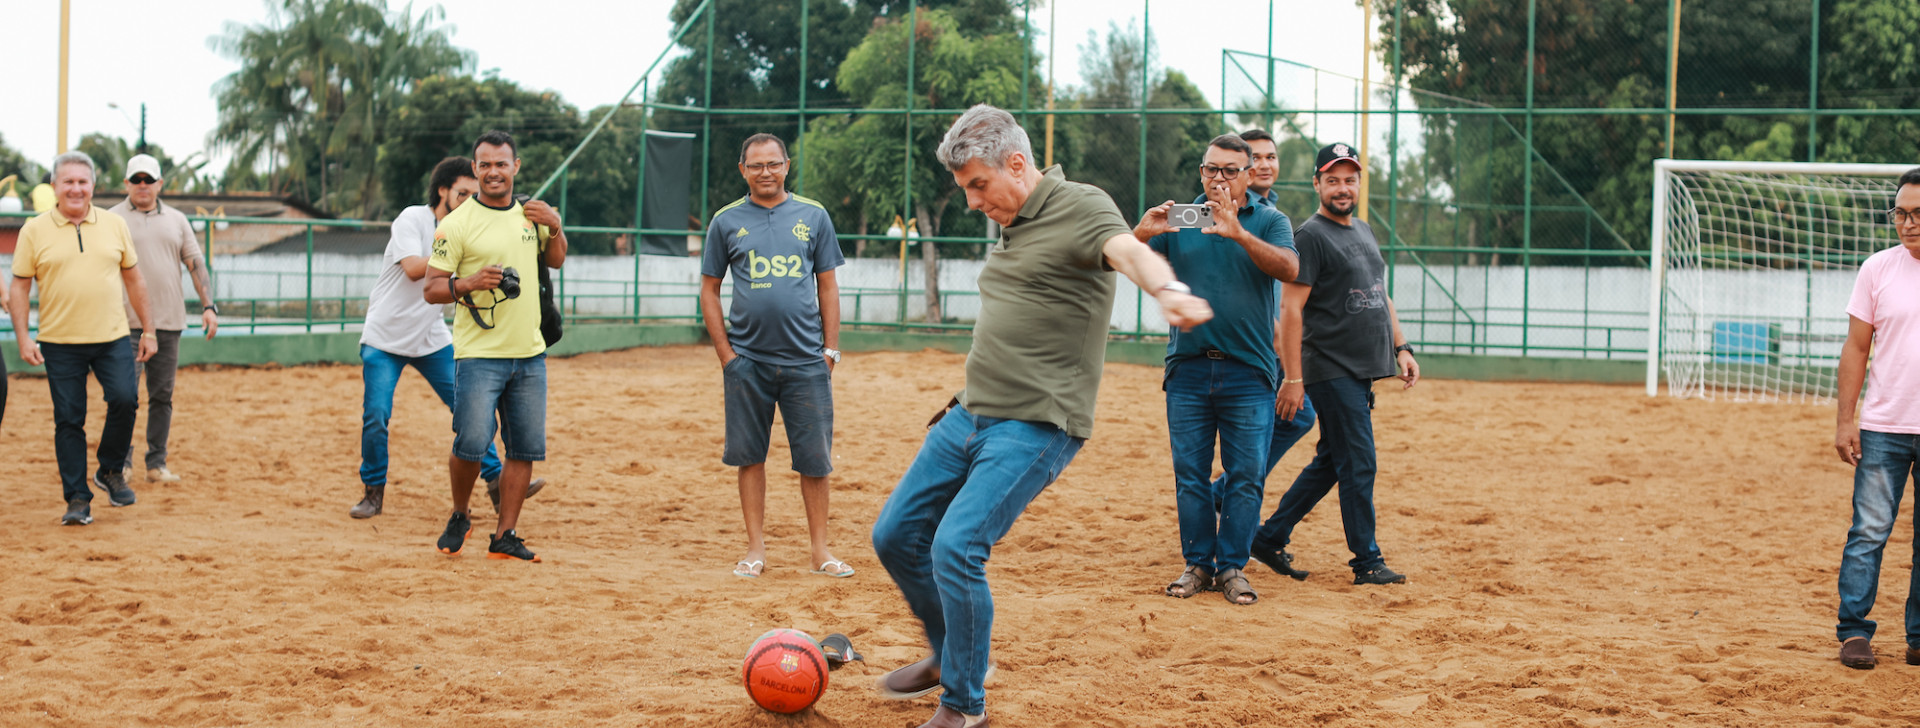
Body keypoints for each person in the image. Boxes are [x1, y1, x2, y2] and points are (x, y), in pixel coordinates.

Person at [870, 104, 1213, 728]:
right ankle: (951, 655)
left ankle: (963, 705)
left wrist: (1165, 289)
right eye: (966, 189)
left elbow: (1122, 249)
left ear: (1017, 164)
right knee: (893, 535)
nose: (974, 202)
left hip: (1034, 425)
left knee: (956, 546)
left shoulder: (1081, 205)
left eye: (978, 185)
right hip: (968, 413)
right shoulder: (1016, 218)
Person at [1133, 134, 1299, 606]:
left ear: (1249, 175)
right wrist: (1143, 233)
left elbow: (1289, 268)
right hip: (1187, 367)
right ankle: (1198, 565)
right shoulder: (1182, 218)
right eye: (1211, 169)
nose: (1219, 179)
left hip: (1248, 372)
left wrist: (1240, 234)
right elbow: (1132, 263)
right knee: (1190, 474)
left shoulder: (1269, 220)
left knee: (1246, 474)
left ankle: (1232, 569)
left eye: (1230, 170)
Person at [1250, 142, 1420, 587]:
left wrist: (1403, 347)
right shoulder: (1311, 236)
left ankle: (1269, 537)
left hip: (1362, 367)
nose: (1342, 188)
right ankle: (1367, 561)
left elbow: (1380, 293)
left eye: (1349, 179)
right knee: (1360, 462)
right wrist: (1293, 376)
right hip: (1329, 367)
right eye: (1332, 180)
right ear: (1317, 184)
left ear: (1359, 184)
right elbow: (1292, 309)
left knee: (1332, 460)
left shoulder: (1362, 230)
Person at [350, 156, 541, 519]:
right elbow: (411, 269)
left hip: (431, 338)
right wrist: (464, 261)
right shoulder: (413, 219)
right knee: (376, 415)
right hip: (384, 337)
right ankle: (373, 493)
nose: (470, 199)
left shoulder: (469, 227)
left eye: (475, 193)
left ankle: (496, 482)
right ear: (443, 190)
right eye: (463, 192)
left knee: (471, 409)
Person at [699, 133, 851, 579]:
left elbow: (827, 285)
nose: (766, 172)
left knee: (815, 459)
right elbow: (709, 289)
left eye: (773, 163)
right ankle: (755, 549)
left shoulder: (814, 216)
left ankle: (821, 551)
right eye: (756, 165)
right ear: (742, 170)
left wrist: (830, 350)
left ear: (787, 165)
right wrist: (727, 355)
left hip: (808, 361)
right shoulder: (725, 221)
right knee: (749, 456)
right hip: (747, 362)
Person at [422, 130, 567, 562]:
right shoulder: (456, 224)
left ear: (515, 167)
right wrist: (469, 282)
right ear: (474, 168)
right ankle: (461, 513)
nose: (493, 172)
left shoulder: (533, 214)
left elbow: (557, 257)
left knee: (523, 448)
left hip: (530, 352)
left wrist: (555, 226)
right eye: (484, 164)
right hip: (478, 354)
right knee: (470, 441)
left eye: (501, 164)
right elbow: (431, 288)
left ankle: (506, 533)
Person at [8, 151, 158, 526]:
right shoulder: (33, 230)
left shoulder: (113, 225)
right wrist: (24, 338)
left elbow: (135, 280)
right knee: (69, 420)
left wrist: (149, 329)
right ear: (55, 187)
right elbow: (19, 288)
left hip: (112, 338)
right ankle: (77, 498)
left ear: (93, 186)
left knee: (125, 399)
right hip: (59, 342)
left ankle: (109, 470)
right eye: (68, 182)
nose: (76, 189)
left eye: (82, 181)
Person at [1217, 127, 1319, 580]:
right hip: (1251, 343)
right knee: (1294, 415)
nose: (1264, 164)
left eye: (1271, 157)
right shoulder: (1224, 213)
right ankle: (1228, 494)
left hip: (1273, 338)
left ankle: (1228, 491)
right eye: (1255, 158)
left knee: (1296, 415)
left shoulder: (1272, 213)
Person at [1832, 166, 1920, 670]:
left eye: (1916, 214)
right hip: (1884, 428)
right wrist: (1847, 421)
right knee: (1868, 531)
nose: (1907, 224)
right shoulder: (1877, 269)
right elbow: (1856, 348)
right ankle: (1854, 632)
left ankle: (1919, 636)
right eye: (1900, 214)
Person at [108, 154, 218, 484]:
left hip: (169, 322)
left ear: (160, 184)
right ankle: (120, 463)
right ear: (126, 183)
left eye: (149, 179)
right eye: (136, 179)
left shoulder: (177, 220)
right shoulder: (110, 220)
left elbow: (195, 264)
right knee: (124, 396)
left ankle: (156, 463)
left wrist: (209, 306)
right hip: (123, 322)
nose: (143, 185)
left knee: (162, 396)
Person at [1239, 128, 1282, 207]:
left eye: (1270, 157)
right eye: (1254, 158)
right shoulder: (1231, 208)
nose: (1265, 166)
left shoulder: (1270, 201)